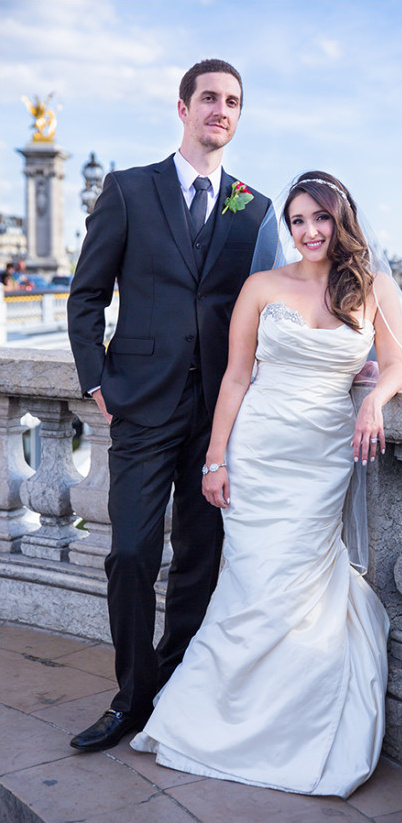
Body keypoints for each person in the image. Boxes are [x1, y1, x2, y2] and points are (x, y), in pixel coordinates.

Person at [131, 172, 402, 798]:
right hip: (258, 456)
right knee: (251, 586)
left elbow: (394, 365)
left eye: (321, 219)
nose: (310, 232)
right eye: (298, 221)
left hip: (322, 459)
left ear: (343, 221)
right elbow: (234, 379)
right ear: (287, 228)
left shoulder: (373, 288)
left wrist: (373, 404)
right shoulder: (261, 287)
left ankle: (289, 725)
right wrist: (215, 459)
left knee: (298, 584)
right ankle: (204, 722)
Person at [67, 59, 272, 752]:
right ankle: (130, 696)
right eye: (209, 97)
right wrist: (98, 382)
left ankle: (172, 685)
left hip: (217, 415)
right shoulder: (127, 190)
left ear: (238, 118)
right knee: (128, 551)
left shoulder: (255, 206)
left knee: (200, 557)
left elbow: (270, 303)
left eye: (232, 101)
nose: (220, 109)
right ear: (181, 107)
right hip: (142, 407)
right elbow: (86, 295)